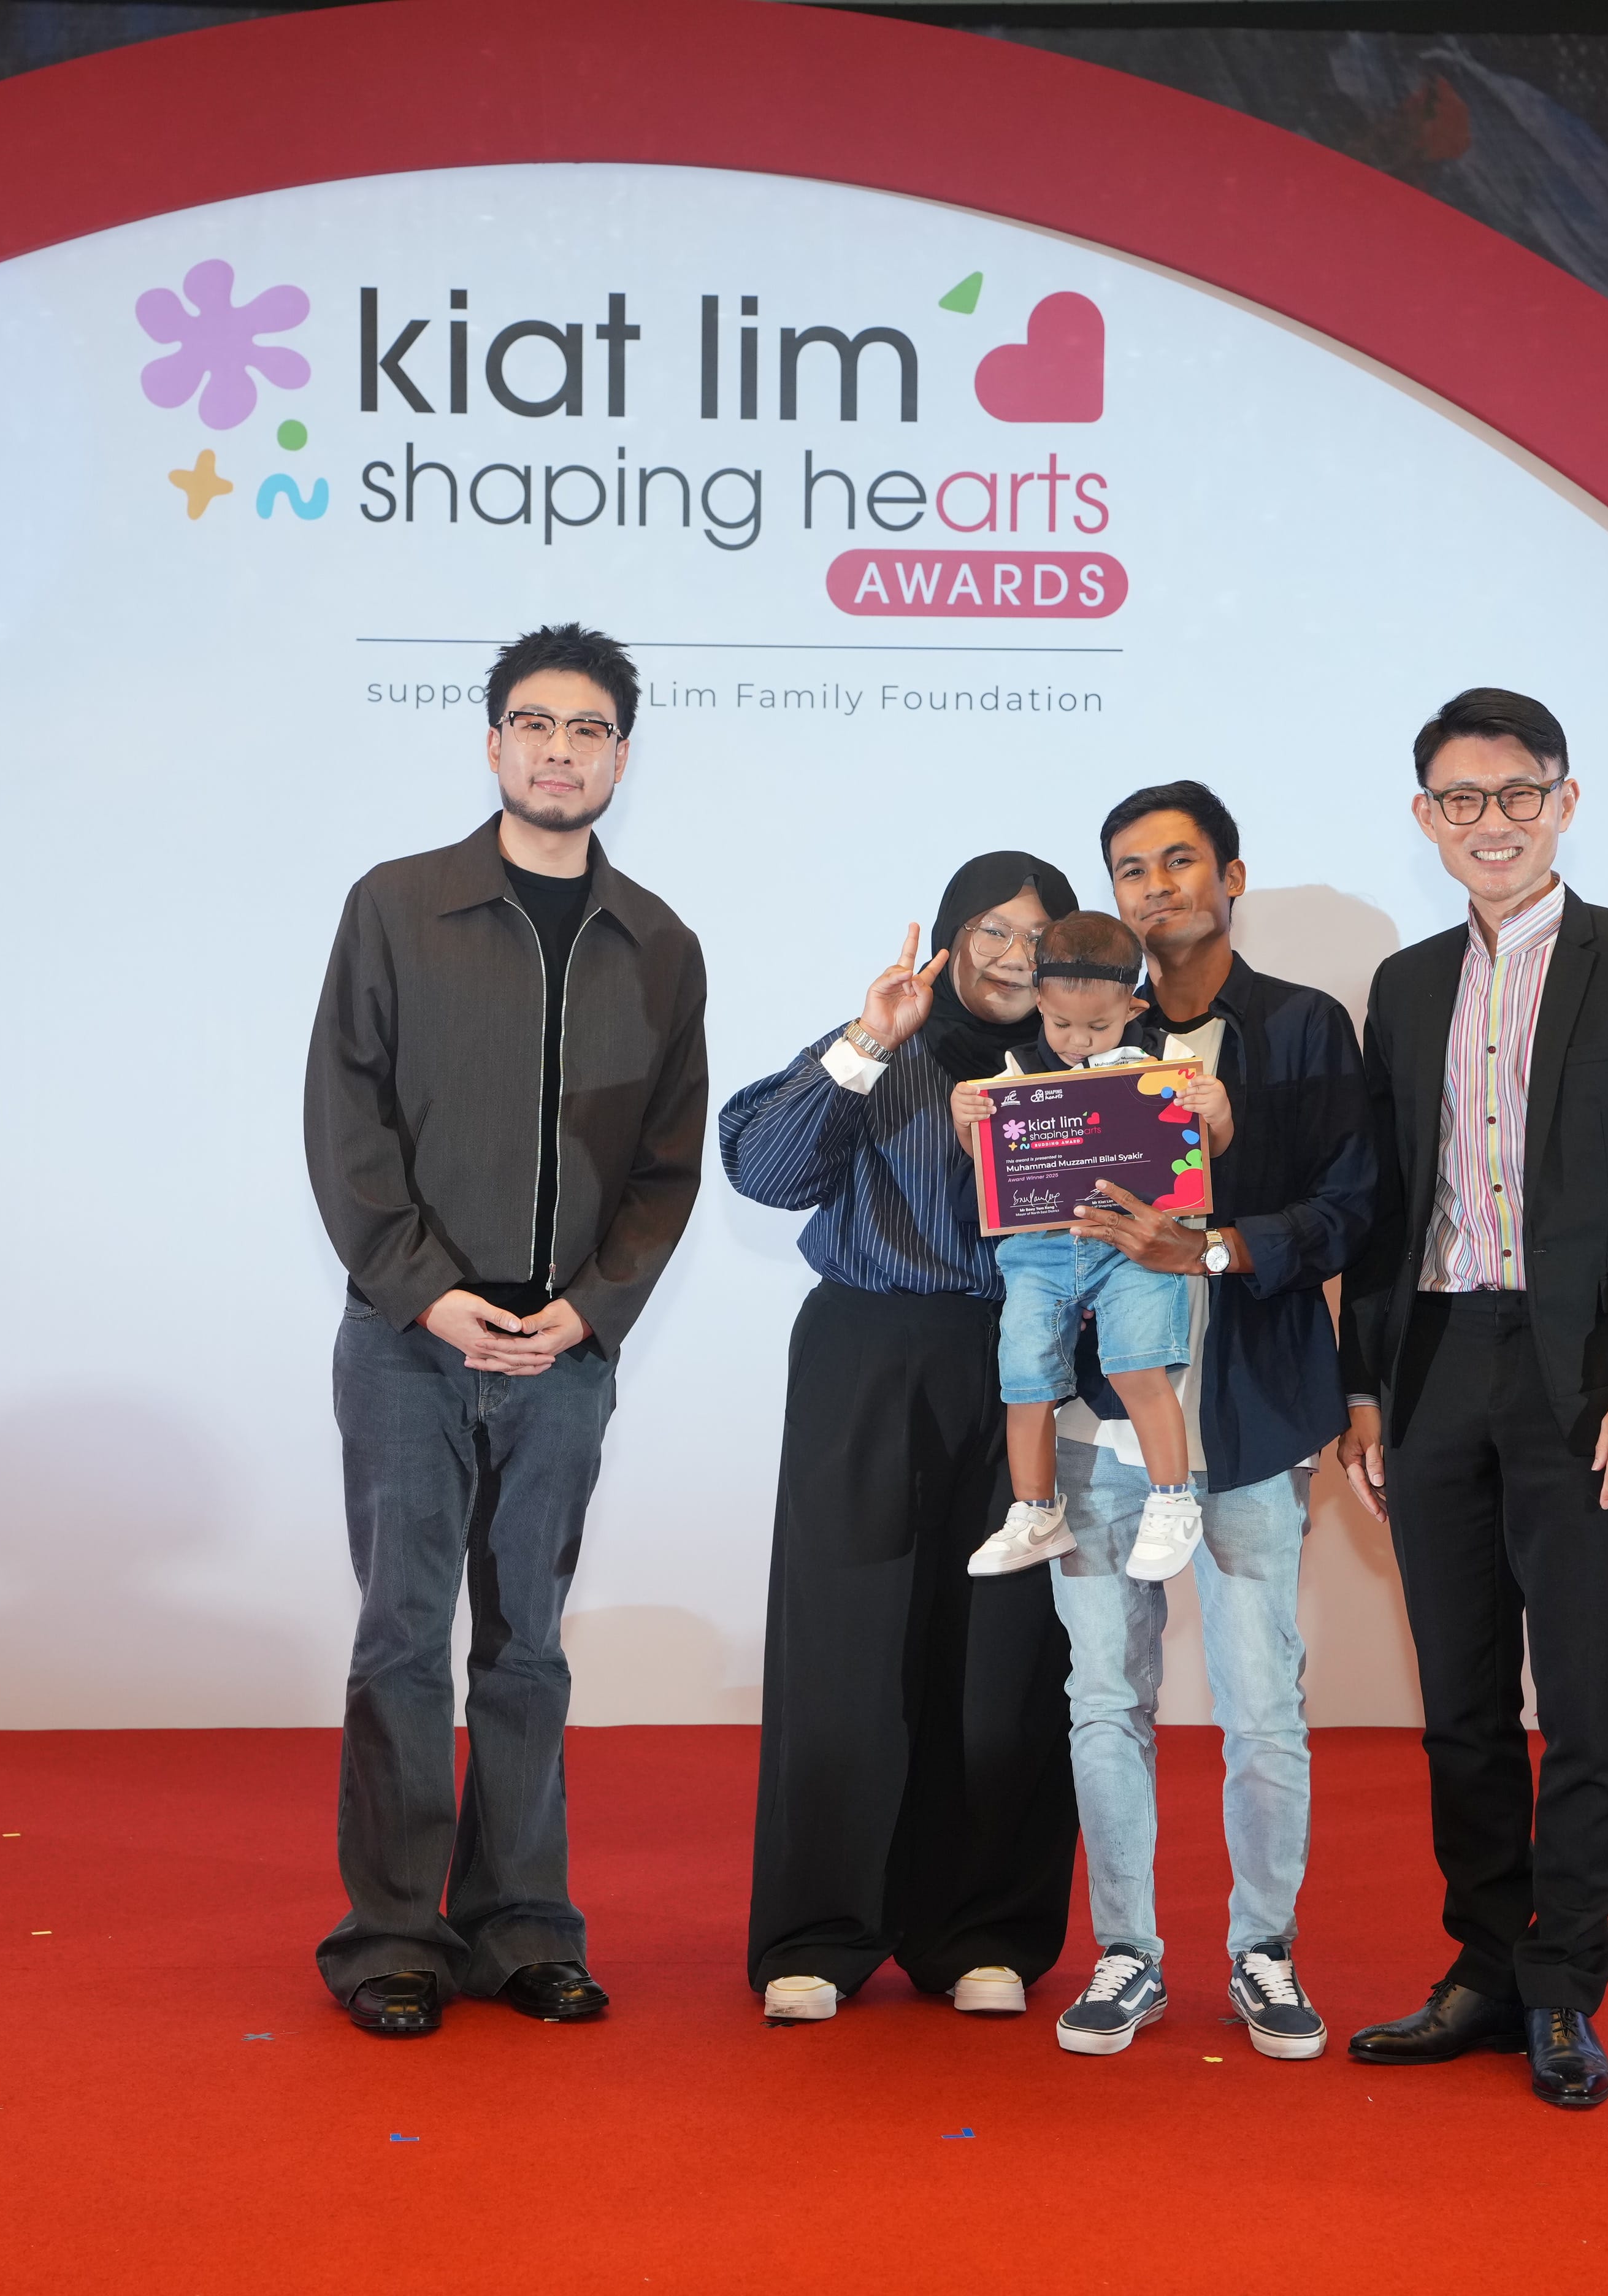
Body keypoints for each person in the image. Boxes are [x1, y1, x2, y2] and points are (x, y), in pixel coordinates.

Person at [302, 623, 710, 2037]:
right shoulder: (398, 907)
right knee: (405, 1637)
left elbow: (668, 1166)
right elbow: (347, 1124)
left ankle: (523, 1921)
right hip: (412, 1340)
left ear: (620, 755)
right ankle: (393, 1932)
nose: (557, 748)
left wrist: (588, 1312)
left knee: (528, 1643)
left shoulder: (659, 942)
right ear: (490, 743)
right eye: (532, 723)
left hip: (561, 1357)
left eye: (587, 728)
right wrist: (424, 1285)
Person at [1333, 690, 1608, 2111]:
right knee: (1456, 1706)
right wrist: (1366, 1394)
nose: (1489, 821)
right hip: (1436, 1365)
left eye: (1516, 794)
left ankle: (1566, 1982)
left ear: (1566, 801)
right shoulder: (1405, 984)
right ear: (1425, 814)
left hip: (1585, 1385)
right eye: (1460, 798)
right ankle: (1485, 1968)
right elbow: (1386, 1208)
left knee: (1580, 1699)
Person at [1039, 781, 1376, 2063]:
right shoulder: (1059, 1037)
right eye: (1131, 869)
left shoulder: (1301, 1030)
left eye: (1181, 862)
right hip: (1092, 1427)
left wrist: (1224, 1246)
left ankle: (1264, 1950)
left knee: (1263, 1703)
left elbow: (1352, 1206)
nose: (1157, 887)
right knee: (1101, 1699)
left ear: (1232, 876)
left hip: (1244, 1420)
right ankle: (1125, 1952)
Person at [722, 853, 1086, 2024]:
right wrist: (866, 1041)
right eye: (991, 926)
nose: (1015, 953)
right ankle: (817, 1933)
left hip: (1029, 1371)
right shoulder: (885, 1042)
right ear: (948, 933)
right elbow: (764, 1170)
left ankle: (978, 1929)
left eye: (1039, 932)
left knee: (1006, 1656)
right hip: (869, 1356)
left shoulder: (1088, 1062)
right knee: (845, 1637)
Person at [952, 909, 1233, 1586]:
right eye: (1062, 1024)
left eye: (1099, 1027)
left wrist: (1215, 1110)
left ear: (1132, 1005)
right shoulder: (1017, 1069)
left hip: (1131, 1244)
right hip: (1040, 1252)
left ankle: (1172, 1501)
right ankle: (1035, 1510)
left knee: (1140, 1369)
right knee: (1024, 1382)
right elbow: (995, 1172)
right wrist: (968, 1124)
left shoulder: (1167, 1062)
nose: (1077, 1041)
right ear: (1039, 1004)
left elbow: (1206, 1155)